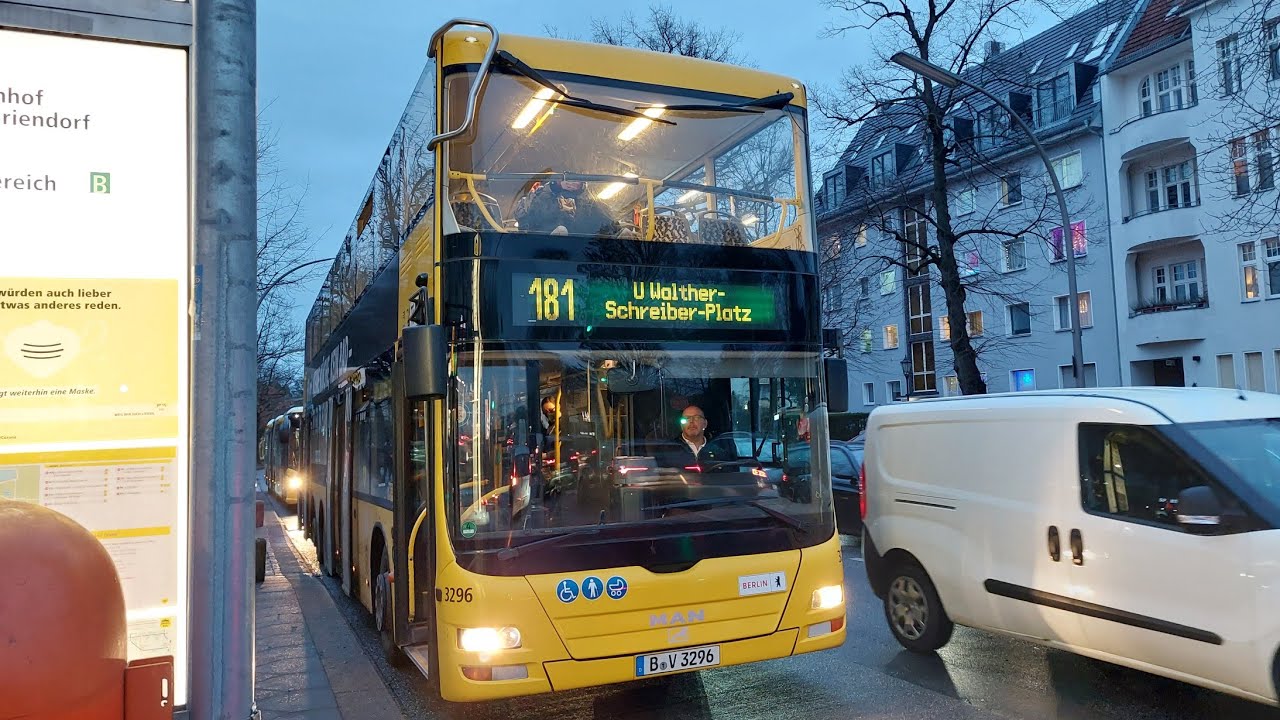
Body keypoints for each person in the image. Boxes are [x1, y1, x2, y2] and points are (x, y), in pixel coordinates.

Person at [660, 404, 736, 468]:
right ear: (681, 426)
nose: (691, 421)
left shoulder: (720, 449)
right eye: (687, 418)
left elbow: (730, 475)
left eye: (696, 418)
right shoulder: (668, 449)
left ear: (705, 424)